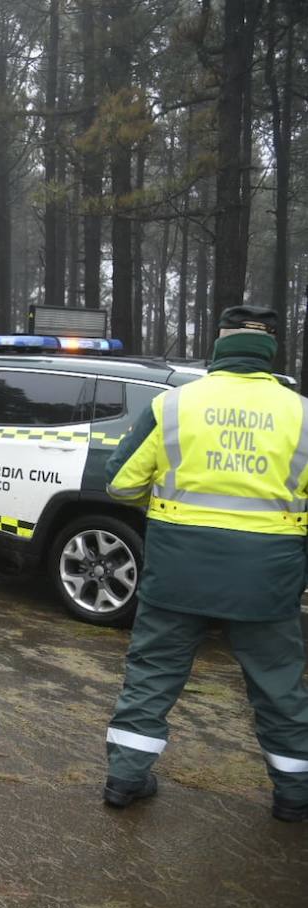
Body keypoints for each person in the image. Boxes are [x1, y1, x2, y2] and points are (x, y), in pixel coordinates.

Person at [103, 305, 308, 822]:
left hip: (178, 568)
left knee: (152, 673)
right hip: (268, 573)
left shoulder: (174, 405)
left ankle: (125, 779)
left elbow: (120, 481)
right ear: (270, 349)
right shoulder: (301, 413)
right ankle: (294, 793)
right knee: (279, 682)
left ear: (219, 345)